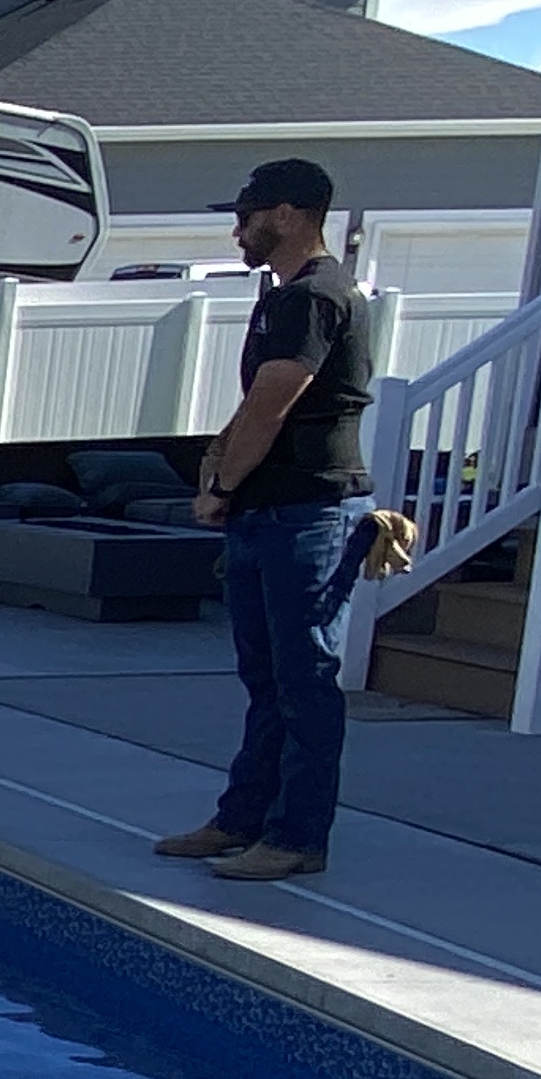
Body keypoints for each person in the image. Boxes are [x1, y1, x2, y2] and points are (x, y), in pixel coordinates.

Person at [155, 158, 381, 882]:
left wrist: (223, 482)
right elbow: (255, 400)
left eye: (247, 215)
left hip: (307, 512)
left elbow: (277, 400)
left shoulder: (316, 296)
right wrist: (218, 462)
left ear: (286, 215)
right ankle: (241, 818)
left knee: (305, 680)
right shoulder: (283, 297)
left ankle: (296, 837)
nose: (238, 229)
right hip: (272, 512)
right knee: (266, 679)